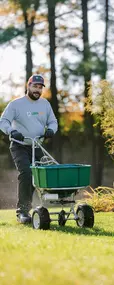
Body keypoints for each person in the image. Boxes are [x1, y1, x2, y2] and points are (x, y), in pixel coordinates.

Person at [0, 74, 58, 224]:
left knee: (45, 174)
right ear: (28, 86)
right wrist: (11, 131)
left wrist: (51, 130)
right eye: (35, 86)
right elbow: (3, 121)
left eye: (40, 87)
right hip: (19, 146)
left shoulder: (45, 104)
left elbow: (53, 121)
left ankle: (48, 206)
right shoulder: (16, 104)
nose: (37, 90)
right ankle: (23, 212)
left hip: (37, 145)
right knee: (26, 173)